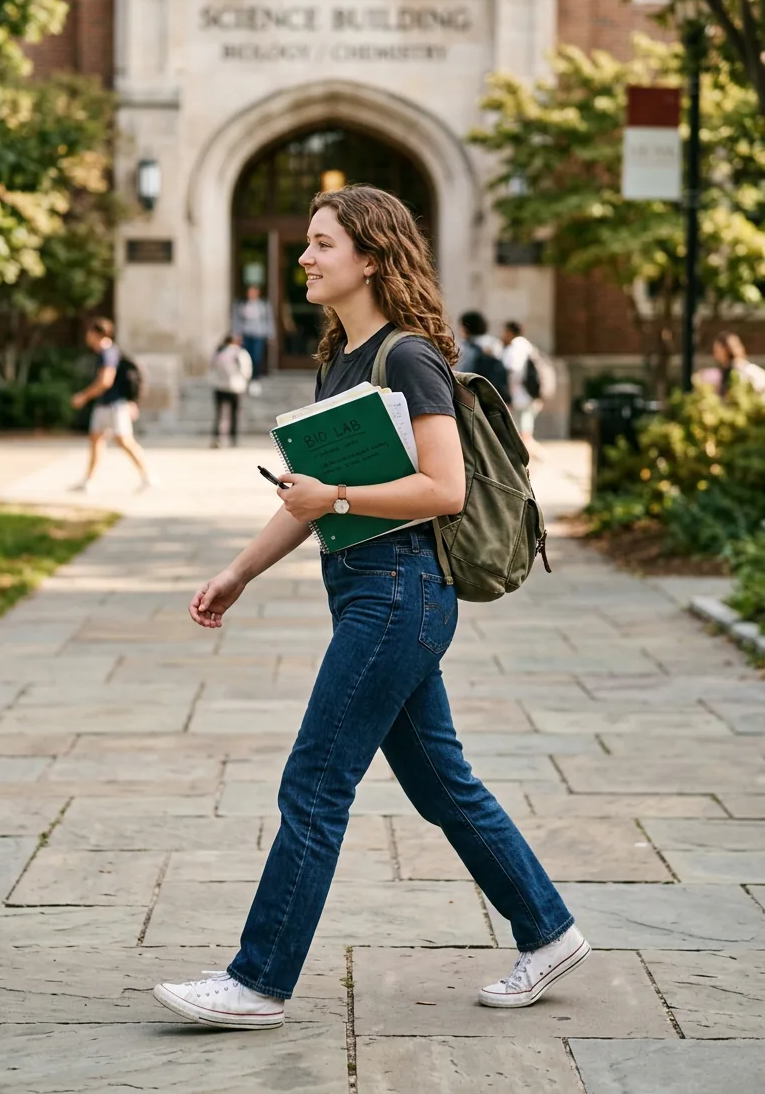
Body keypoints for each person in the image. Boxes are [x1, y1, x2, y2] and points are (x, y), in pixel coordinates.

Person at [153, 185, 588, 1030]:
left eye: (322, 244)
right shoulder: (336, 359)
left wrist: (339, 494)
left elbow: (444, 488)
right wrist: (237, 573)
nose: (306, 258)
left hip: (401, 593)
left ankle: (259, 981)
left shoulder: (409, 358)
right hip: (366, 589)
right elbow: (309, 501)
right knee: (441, 785)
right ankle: (549, 929)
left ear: (372, 257)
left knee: (315, 781)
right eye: (308, 243)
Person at [70, 318, 156, 493]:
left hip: (114, 405)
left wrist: (84, 396)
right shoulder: (105, 352)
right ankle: (89, 479)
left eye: (89, 333)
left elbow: (105, 381)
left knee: (124, 441)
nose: (87, 336)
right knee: (96, 440)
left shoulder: (108, 353)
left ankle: (148, 475)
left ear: (97, 334)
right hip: (104, 405)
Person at [502, 320, 543, 454]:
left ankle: (537, 456)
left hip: (519, 395)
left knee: (521, 432)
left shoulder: (515, 347)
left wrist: (507, 391)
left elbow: (514, 369)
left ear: (510, 332)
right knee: (525, 429)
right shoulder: (528, 346)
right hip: (529, 394)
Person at [456, 310, 511, 402]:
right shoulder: (495, 343)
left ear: (466, 327)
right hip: (494, 392)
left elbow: (463, 371)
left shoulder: (466, 347)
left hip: (474, 393)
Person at [210, 334, 253, 447]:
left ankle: (218, 437)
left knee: (220, 414)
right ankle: (233, 439)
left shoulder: (219, 353)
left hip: (220, 386)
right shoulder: (240, 353)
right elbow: (246, 371)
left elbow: (213, 368)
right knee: (234, 414)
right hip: (236, 387)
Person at [231, 284, 275, 383]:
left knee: (256, 356)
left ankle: (256, 376)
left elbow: (269, 320)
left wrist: (270, 334)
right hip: (246, 333)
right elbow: (237, 320)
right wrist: (236, 334)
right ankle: (247, 376)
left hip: (259, 334)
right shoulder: (242, 304)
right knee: (247, 356)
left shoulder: (263, 304)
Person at [712, 332, 765, 399]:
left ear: (725, 350)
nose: (715, 356)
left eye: (717, 351)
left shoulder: (747, 372)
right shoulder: (725, 372)